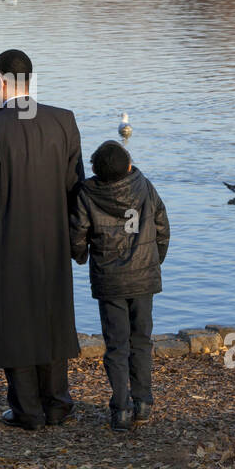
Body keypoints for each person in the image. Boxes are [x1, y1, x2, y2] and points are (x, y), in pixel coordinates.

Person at [0, 48, 84, 430]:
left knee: (13, 324)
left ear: (0, 81)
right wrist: (76, 242)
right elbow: (76, 190)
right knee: (52, 317)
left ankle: (27, 410)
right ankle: (57, 403)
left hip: (7, 245)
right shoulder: (64, 121)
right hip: (55, 243)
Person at [70, 141, 170, 431]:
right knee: (141, 340)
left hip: (109, 280)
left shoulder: (87, 194)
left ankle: (122, 409)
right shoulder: (144, 185)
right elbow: (163, 227)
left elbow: (78, 233)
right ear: (128, 166)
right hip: (143, 278)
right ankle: (143, 403)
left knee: (116, 345)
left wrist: (80, 256)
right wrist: (153, 261)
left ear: (96, 171)